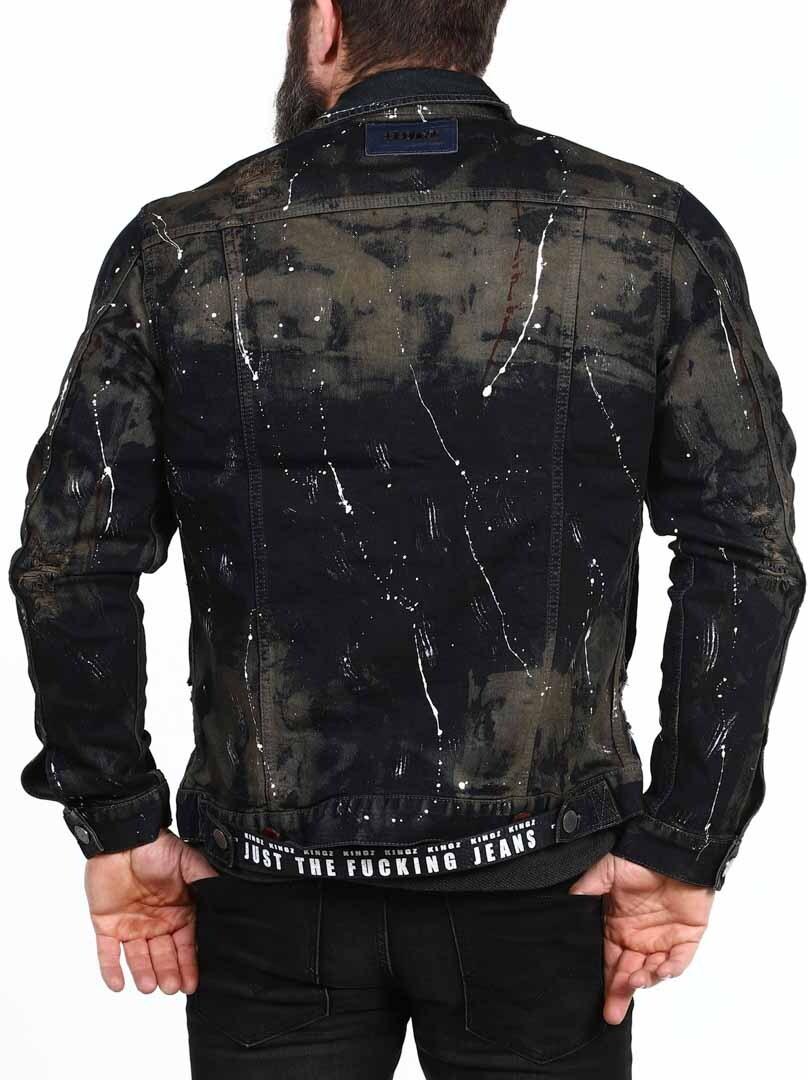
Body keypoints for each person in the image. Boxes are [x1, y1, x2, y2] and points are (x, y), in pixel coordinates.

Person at [9, 1, 805, 1077]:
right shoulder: (649, 233)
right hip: (543, 879)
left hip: (268, 891)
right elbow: (746, 555)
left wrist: (119, 823)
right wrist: (684, 842)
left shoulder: (181, 248)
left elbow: (70, 562)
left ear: (325, 23)